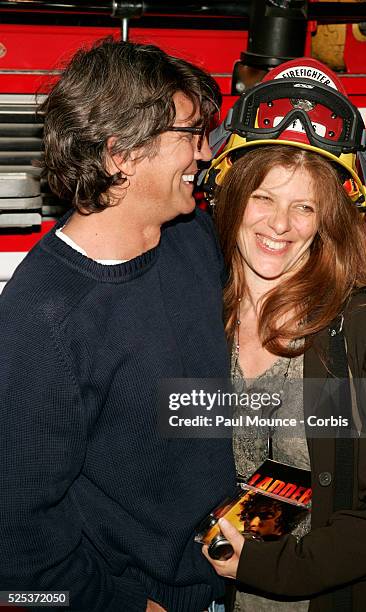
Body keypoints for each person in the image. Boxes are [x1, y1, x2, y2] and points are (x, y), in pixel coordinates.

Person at [0, 38, 237, 611]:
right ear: (119, 155)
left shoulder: (192, 237)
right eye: (189, 135)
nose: (204, 154)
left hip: (235, 577)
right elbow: (12, 539)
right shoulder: (44, 321)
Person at [202, 58, 366, 611]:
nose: (279, 225)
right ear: (232, 194)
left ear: (328, 219)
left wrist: (275, 568)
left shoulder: (362, 330)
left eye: (304, 207)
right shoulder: (192, 306)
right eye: (264, 198)